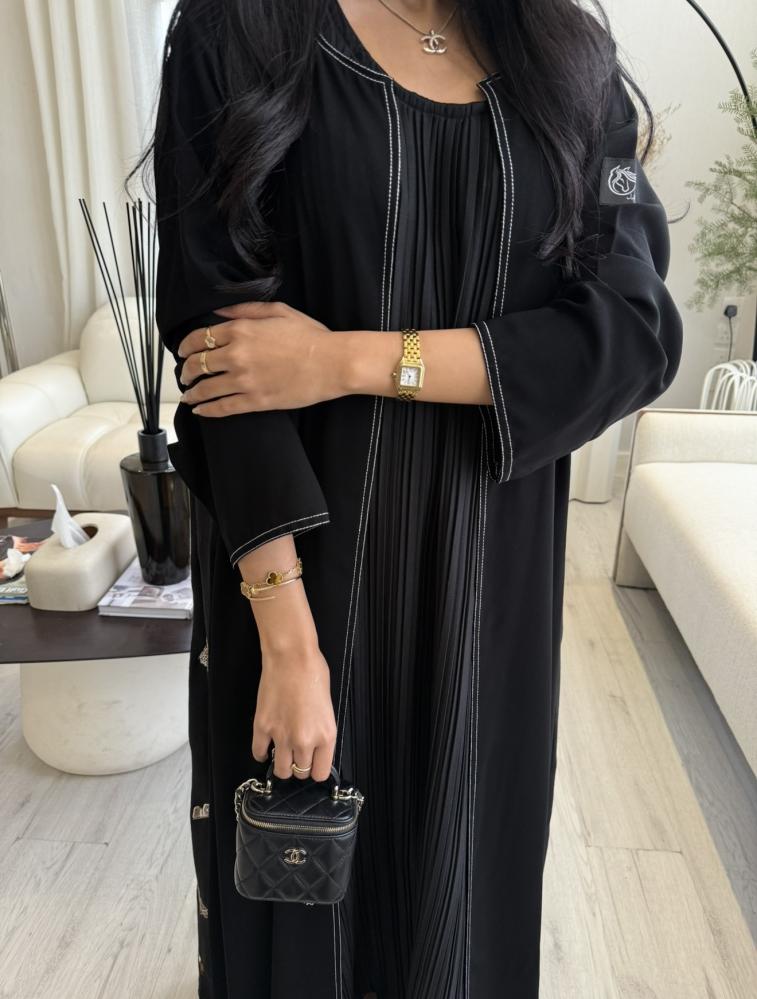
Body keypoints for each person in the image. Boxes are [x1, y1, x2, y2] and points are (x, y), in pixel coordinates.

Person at [137, 0, 683, 995]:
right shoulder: (240, 31)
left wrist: (346, 360)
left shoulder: (569, 58)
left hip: (489, 591)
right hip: (302, 580)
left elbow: (630, 331)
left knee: (461, 911)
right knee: (301, 904)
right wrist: (289, 645)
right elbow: (220, 355)